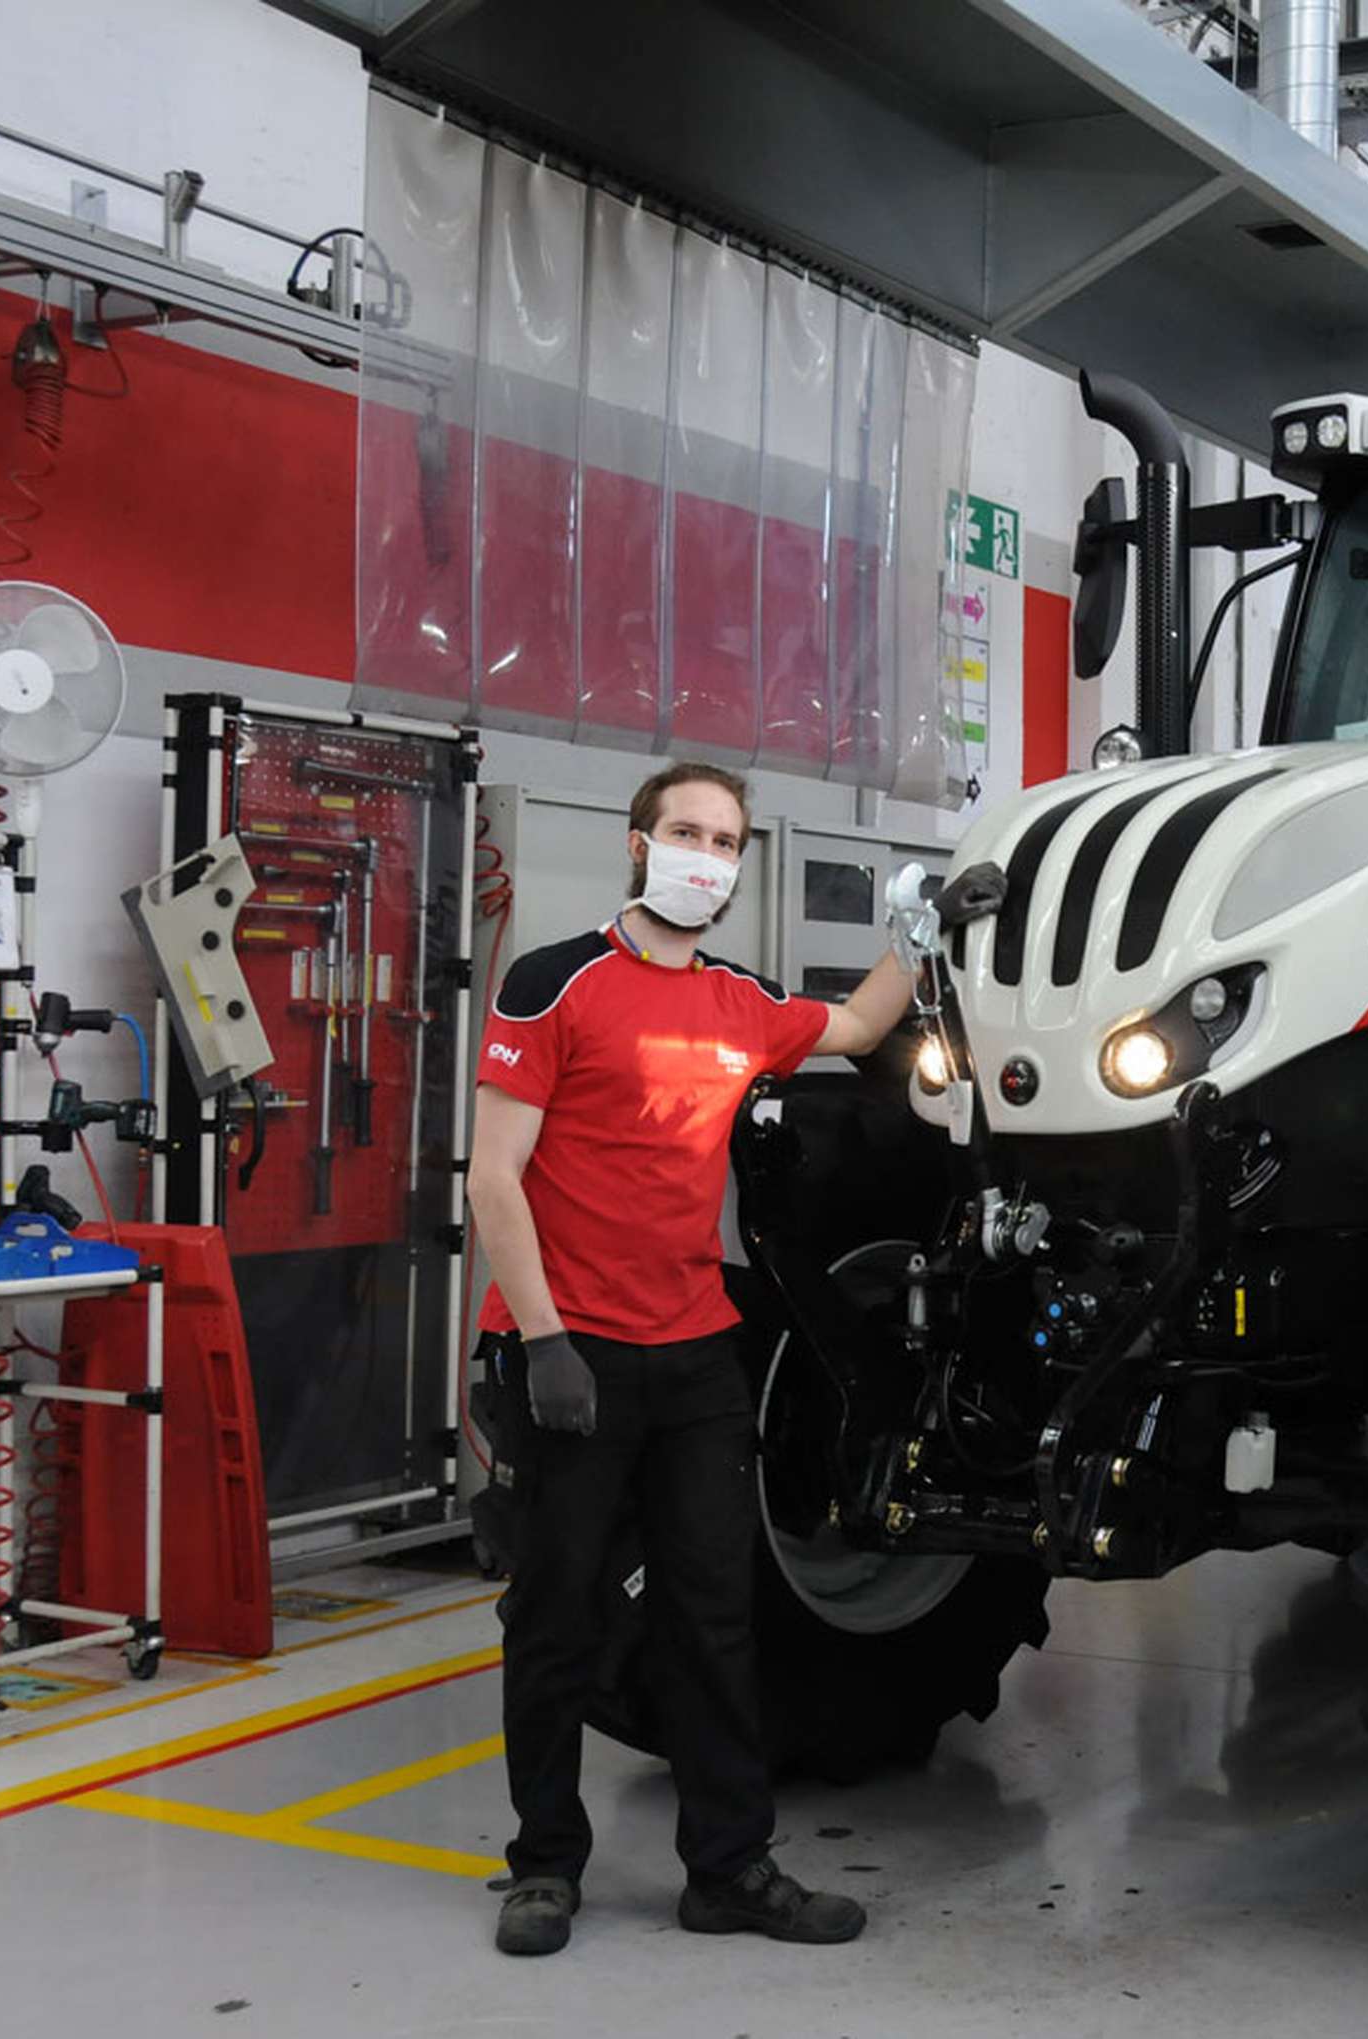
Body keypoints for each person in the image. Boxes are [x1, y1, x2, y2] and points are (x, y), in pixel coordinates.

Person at [469, 760, 917, 1958]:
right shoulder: (554, 981)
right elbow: (492, 1178)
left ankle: (727, 1866)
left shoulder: (740, 999)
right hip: (570, 1361)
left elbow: (863, 1025)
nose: (704, 856)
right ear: (636, 842)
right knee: (557, 1617)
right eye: (684, 831)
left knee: (713, 1619)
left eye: (724, 841)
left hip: (697, 1360)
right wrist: (549, 1338)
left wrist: (924, 926)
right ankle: (544, 1865)